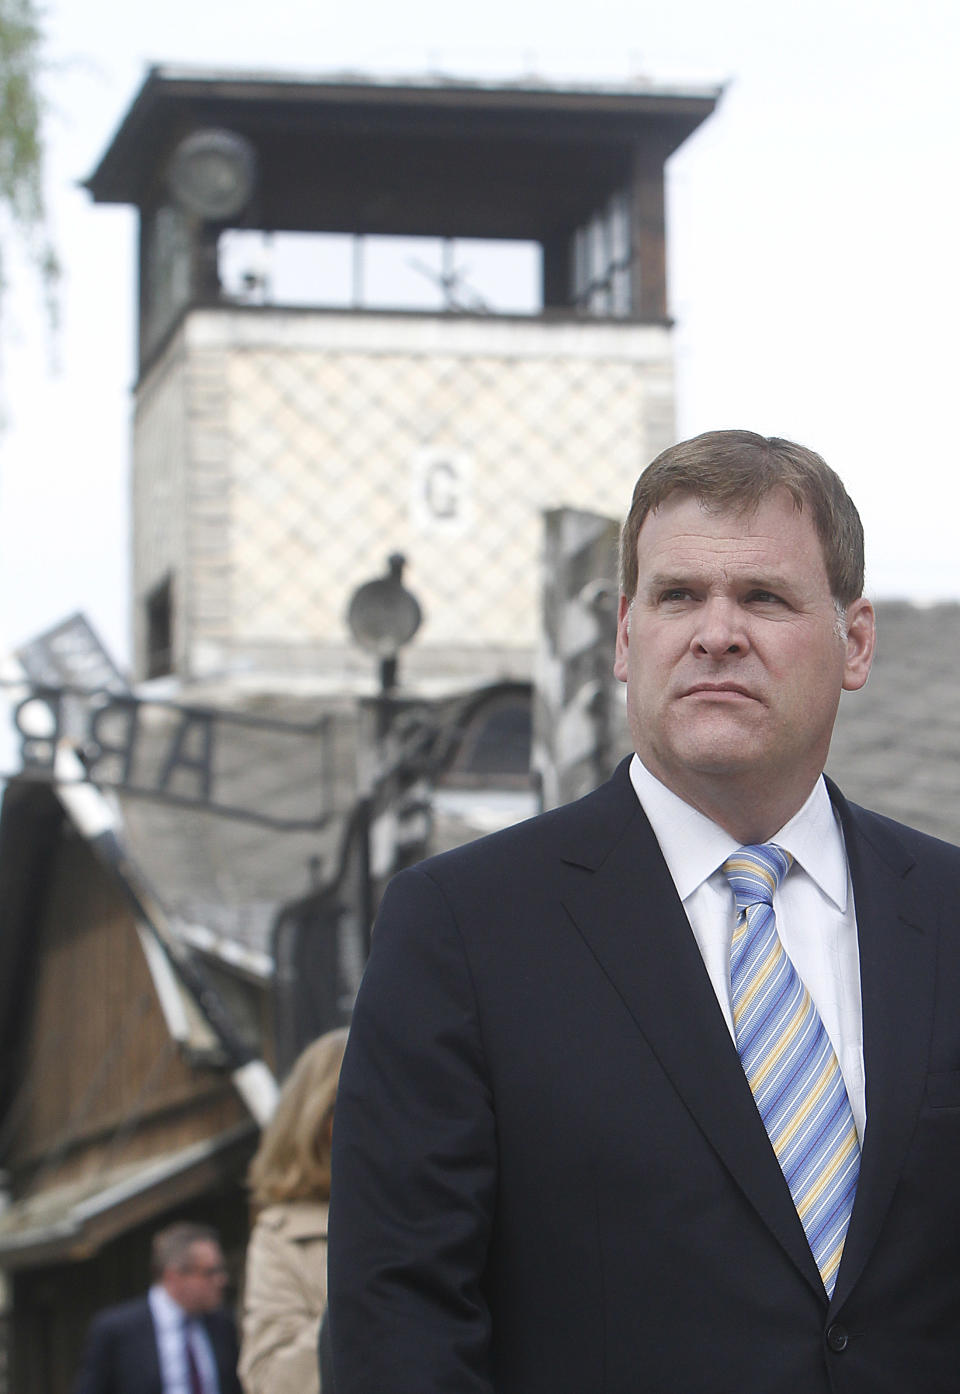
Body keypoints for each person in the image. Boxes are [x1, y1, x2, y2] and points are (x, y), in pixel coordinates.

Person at [327, 429, 960, 1392]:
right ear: (626, 639)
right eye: (677, 597)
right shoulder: (462, 929)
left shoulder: (949, 915)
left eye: (763, 597)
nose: (717, 632)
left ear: (856, 642)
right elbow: (397, 1319)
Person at [238, 1028, 347, 1394]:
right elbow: (270, 1382)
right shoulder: (281, 1236)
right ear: (315, 1121)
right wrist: (365, 1292)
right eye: (349, 1104)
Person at [73, 1221, 242, 1394]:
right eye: (210, 1272)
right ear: (174, 1276)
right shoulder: (116, 1330)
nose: (222, 1280)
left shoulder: (222, 1324)